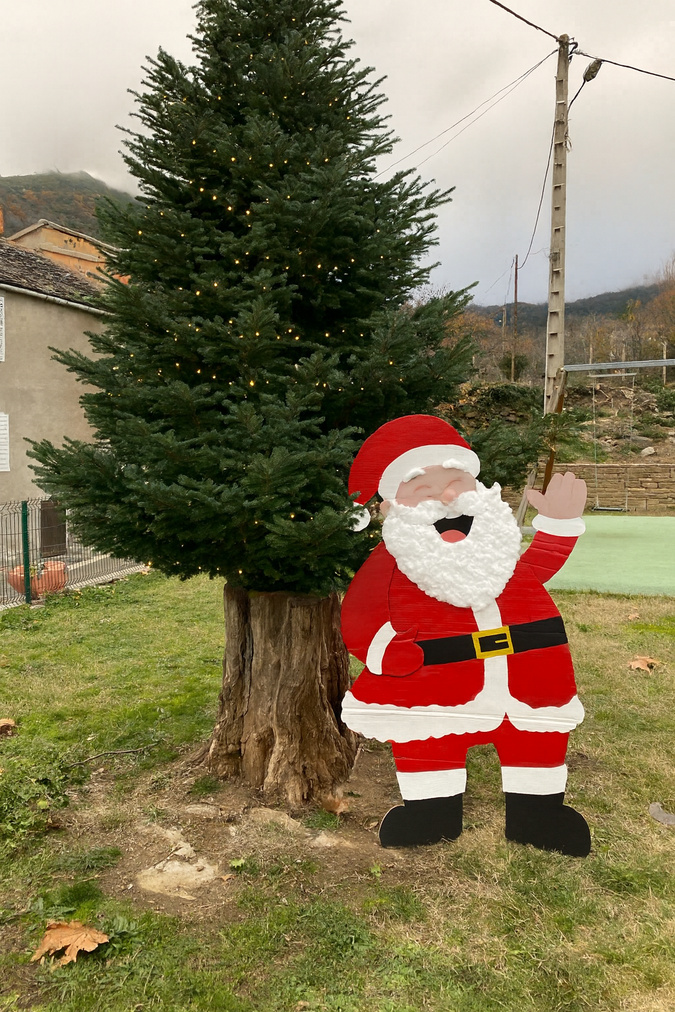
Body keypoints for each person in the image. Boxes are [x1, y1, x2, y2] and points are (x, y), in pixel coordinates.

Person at [341, 414, 591, 856]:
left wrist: (559, 525)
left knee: (536, 736)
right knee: (428, 739)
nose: (449, 497)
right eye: (425, 490)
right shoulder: (392, 563)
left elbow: (532, 572)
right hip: (436, 681)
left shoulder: (494, 545)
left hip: (531, 674)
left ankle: (540, 813)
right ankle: (430, 813)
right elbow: (361, 614)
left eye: (458, 481)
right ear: (387, 506)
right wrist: (386, 652)